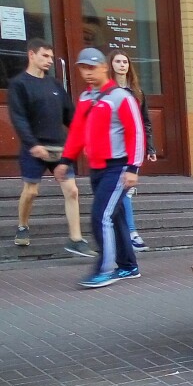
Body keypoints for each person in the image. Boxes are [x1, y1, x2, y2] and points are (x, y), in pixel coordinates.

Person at [55, 48, 145, 288]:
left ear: (105, 67)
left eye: (91, 67)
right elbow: (77, 133)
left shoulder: (121, 97)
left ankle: (104, 270)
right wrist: (65, 160)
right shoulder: (86, 98)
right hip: (97, 168)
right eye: (83, 68)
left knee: (101, 216)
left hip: (117, 167)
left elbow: (136, 133)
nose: (87, 73)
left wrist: (132, 168)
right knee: (113, 217)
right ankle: (129, 266)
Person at [8, 38, 93, 256]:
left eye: (51, 57)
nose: (49, 61)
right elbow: (19, 118)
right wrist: (33, 144)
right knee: (31, 191)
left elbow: (71, 116)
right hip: (33, 149)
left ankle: (76, 239)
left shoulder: (55, 85)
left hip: (59, 149)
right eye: (45, 56)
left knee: (72, 191)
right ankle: (22, 226)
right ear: (31, 55)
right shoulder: (19, 84)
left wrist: (83, 139)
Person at [107, 49, 156, 251]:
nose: (122, 65)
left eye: (125, 61)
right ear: (111, 65)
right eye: (118, 61)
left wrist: (150, 147)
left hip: (133, 148)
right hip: (114, 149)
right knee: (123, 192)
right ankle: (130, 233)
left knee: (126, 192)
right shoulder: (106, 91)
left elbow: (145, 122)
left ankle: (129, 233)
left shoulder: (137, 92)